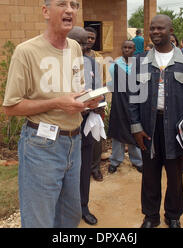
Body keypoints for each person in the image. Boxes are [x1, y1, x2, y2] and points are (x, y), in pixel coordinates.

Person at [3, 0, 100, 228]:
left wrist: (87, 101)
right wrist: (58, 103)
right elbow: (11, 107)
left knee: (69, 216)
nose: (70, 10)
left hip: (74, 143)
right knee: (40, 221)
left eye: (74, 5)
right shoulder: (26, 52)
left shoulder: (76, 48)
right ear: (46, 11)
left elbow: (73, 91)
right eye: (62, 4)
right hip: (41, 145)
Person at [129, 15, 183, 228]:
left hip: (177, 129)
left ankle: (173, 216)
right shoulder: (140, 61)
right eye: (152, 28)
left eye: (160, 28)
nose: (155, 32)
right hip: (149, 127)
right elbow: (133, 97)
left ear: (170, 30)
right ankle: (151, 216)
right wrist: (136, 127)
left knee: (175, 176)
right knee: (150, 175)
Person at [68, 26, 102, 226]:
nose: (83, 46)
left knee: (83, 170)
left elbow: (98, 88)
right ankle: (65, 209)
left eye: (85, 42)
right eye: (78, 42)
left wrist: (98, 102)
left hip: (86, 124)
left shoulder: (91, 63)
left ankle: (83, 206)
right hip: (63, 129)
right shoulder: (54, 64)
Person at [107, 40, 143, 174]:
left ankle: (138, 161)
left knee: (135, 131)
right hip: (119, 104)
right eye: (125, 47)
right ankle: (115, 161)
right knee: (118, 133)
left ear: (134, 50)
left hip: (135, 103)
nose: (127, 50)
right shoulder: (114, 66)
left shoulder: (139, 65)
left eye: (130, 48)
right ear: (121, 49)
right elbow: (112, 85)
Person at [84, 26, 106, 182]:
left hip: (96, 103)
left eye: (92, 38)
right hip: (79, 106)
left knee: (96, 138)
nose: (89, 40)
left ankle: (95, 168)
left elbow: (101, 81)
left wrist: (102, 102)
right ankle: (83, 168)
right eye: (87, 37)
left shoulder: (98, 58)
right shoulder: (73, 56)